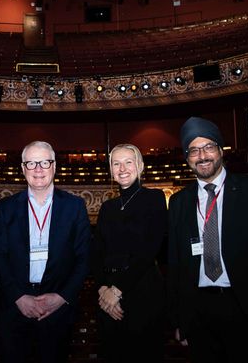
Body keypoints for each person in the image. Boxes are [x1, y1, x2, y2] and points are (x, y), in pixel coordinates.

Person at [167, 116, 248, 363]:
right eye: (194, 150)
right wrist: (179, 319)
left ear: (221, 150)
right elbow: (175, 265)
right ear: (187, 158)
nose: (202, 156)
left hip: (246, 307)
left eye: (208, 147)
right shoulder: (179, 201)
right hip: (198, 311)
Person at [0, 141, 91, 363]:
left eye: (44, 162)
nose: (38, 169)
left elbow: (84, 258)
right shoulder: (5, 207)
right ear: (22, 168)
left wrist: (62, 297)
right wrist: (18, 297)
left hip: (58, 311)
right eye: (31, 163)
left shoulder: (75, 206)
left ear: (54, 166)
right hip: (15, 309)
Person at [91, 144, 167, 362]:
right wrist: (103, 289)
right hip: (107, 296)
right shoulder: (107, 207)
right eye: (116, 163)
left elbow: (149, 250)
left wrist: (117, 290)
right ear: (111, 170)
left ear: (140, 166)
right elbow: (96, 253)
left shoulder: (155, 198)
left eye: (128, 162)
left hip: (143, 291)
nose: (122, 168)